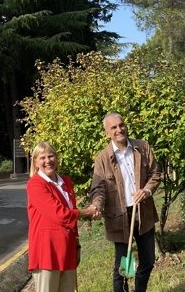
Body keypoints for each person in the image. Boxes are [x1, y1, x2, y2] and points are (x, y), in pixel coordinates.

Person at [90, 113, 161, 292]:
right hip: (119, 218)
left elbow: (155, 175)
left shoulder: (143, 147)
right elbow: (98, 188)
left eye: (121, 125)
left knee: (148, 261)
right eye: (113, 128)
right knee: (123, 266)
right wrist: (97, 204)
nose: (119, 130)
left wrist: (146, 191)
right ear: (107, 133)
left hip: (143, 213)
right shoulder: (102, 159)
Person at [26, 141, 97, 292]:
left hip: (67, 249)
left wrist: (76, 244)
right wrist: (87, 212)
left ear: (57, 158)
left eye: (51, 156)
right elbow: (60, 215)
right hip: (47, 252)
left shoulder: (66, 182)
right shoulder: (35, 185)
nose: (48, 161)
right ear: (35, 162)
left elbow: (71, 213)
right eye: (42, 158)